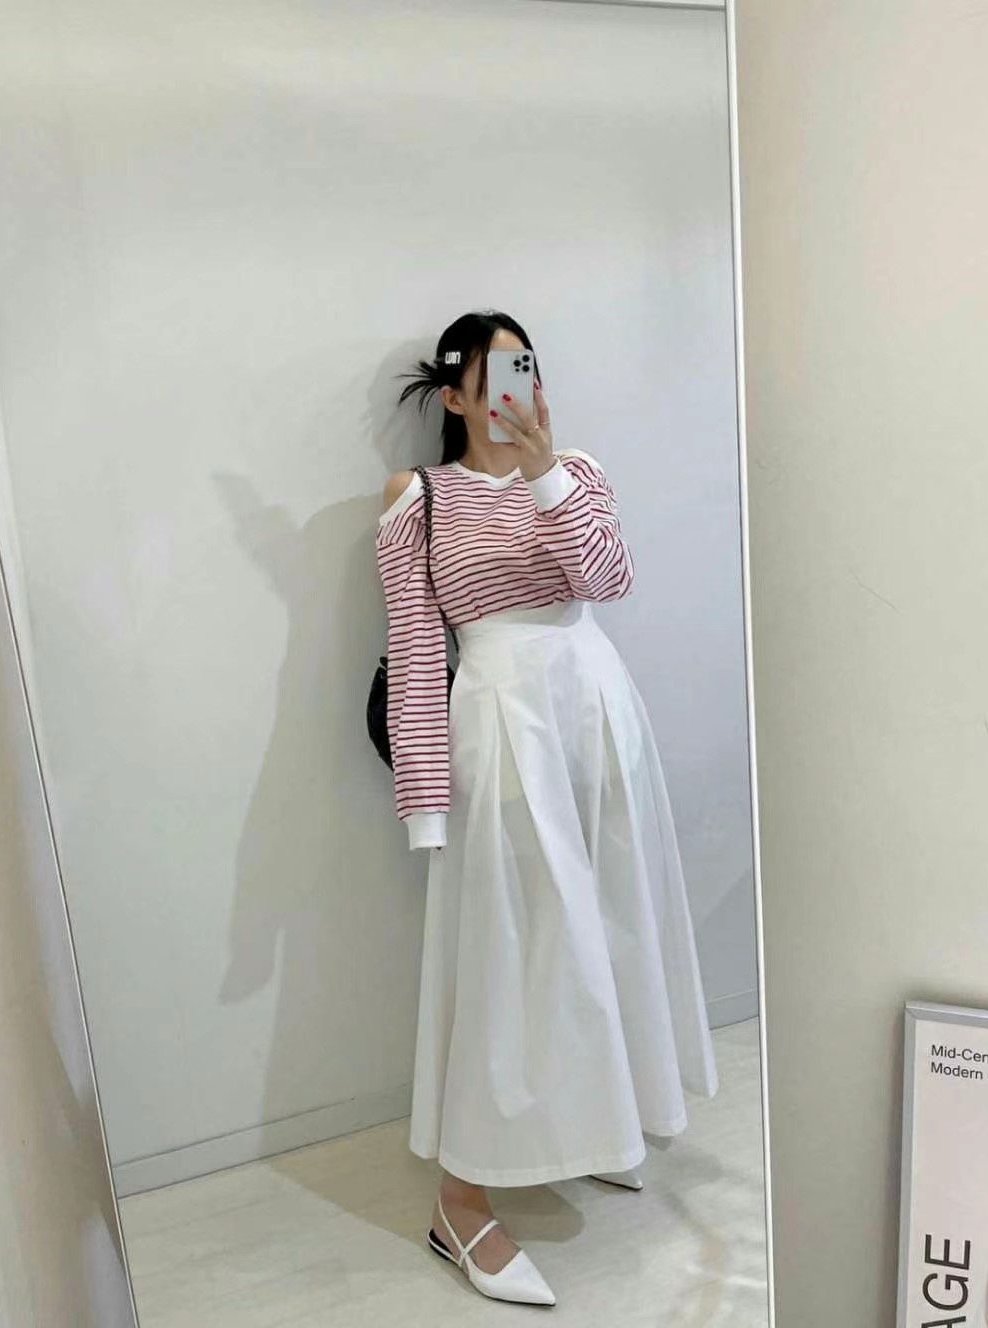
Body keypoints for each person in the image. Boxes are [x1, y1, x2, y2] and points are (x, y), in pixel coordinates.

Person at [375, 310, 718, 1307]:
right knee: (514, 951)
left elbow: (607, 578)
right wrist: (424, 803)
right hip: (500, 722)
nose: (513, 389)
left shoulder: (577, 471)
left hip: (598, 712)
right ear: (453, 394)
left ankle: (593, 1124)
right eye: (492, 374)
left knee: (611, 925)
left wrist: (543, 473)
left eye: (525, 367)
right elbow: (414, 652)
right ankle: (460, 1202)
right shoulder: (417, 498)